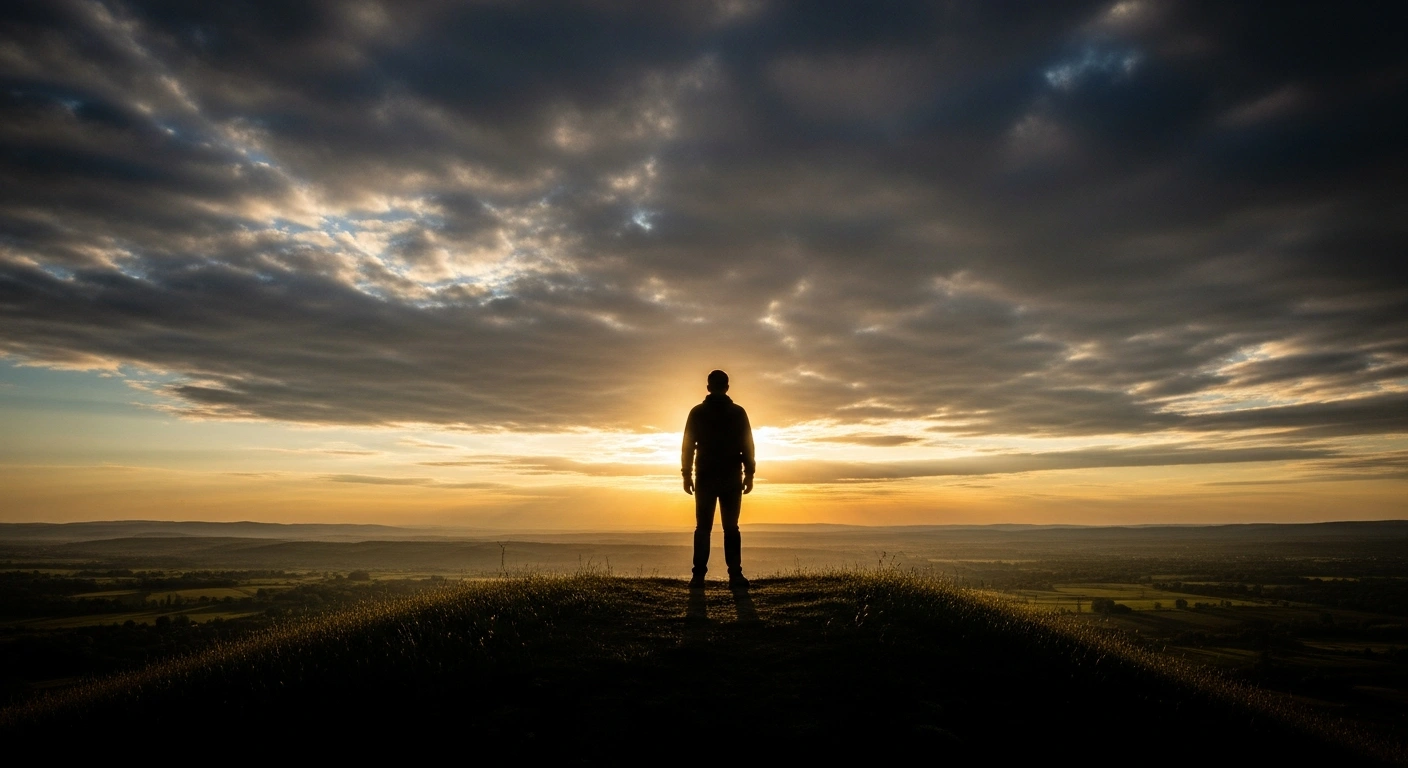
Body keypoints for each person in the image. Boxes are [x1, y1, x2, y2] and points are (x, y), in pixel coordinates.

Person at [681, 369, 755, 589]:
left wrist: (686, 474)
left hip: (704, 475)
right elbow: (747, 446)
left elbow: (688, 447)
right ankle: (735, 575)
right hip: (731, 476)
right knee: (731, 527)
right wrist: (749, 473)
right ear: (727, 387)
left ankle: (698, 577)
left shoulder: (697, 412)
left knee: (703, 527)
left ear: (708, 388)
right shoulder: (738, 413)